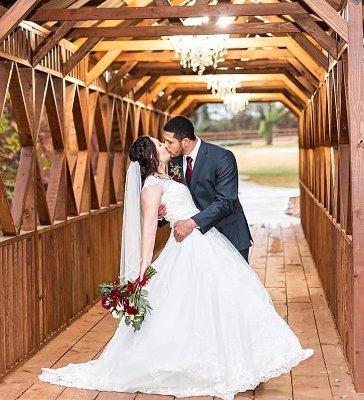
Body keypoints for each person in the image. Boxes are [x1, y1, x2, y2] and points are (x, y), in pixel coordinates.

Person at [38, 135, 314, 400]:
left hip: (205, 242)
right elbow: (147, 231)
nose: (164, 145)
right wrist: (142, 271)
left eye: (166, 141)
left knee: (227, 298)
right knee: (196, 304)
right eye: (160, 144)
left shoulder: (167, 178)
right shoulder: (152, 187)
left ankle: (241, 358)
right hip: (186, 247)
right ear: (151, 154)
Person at [160, 116, 253, 262]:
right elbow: (177, 199)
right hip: (196, 242)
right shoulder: (172, 163)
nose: (165, 145)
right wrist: (161, 214)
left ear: (185, 141)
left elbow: (226, 202)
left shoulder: (222, 157)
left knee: (234, 284)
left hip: (228, 234)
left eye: (169, 142)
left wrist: (191, 223)